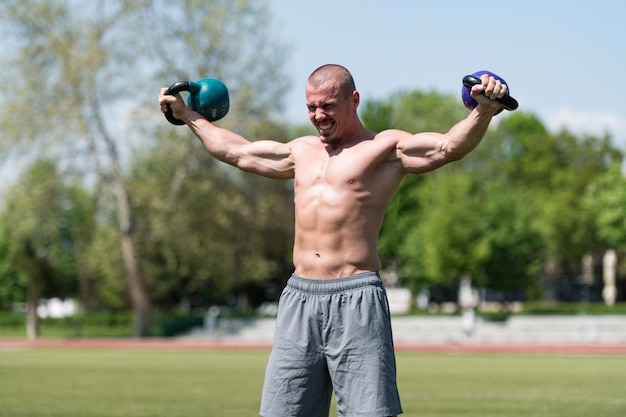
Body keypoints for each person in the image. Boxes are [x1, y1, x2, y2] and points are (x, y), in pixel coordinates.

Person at [159, 64, 508, 417]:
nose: (319, 115)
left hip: (356, 298)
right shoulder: (301, 150)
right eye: (311, 107)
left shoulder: (385, 148)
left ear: (353, 100)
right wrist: (189, 115)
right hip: (299, 298)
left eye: (327, 106)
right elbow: (237, 152)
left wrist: (484, 111)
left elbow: (448, 147)